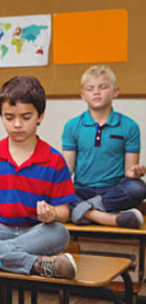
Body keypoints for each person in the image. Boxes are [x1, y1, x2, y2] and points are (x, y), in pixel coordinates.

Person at [0, 76, 78, 279]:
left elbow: (64, 212)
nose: (17, 124)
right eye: (9, 118)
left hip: (37, 231)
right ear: (1, 116)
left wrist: (52, 213)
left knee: (60, 233)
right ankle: (36, 264)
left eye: (26, 117)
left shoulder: (55, 160)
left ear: (40, 116)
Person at [62, 65, 146, 228]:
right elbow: (67, 169)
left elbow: (130, 173)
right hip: (82, 189)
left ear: (115, 91)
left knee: (138, 188)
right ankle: (110, 219)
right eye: (90, 88)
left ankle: (83, 213)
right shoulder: (72, 126)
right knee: (56, 190)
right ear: (83, 95)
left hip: (114, 190)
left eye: (103, 87)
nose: (96, 92)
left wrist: (134, 172)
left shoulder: (129, 126)